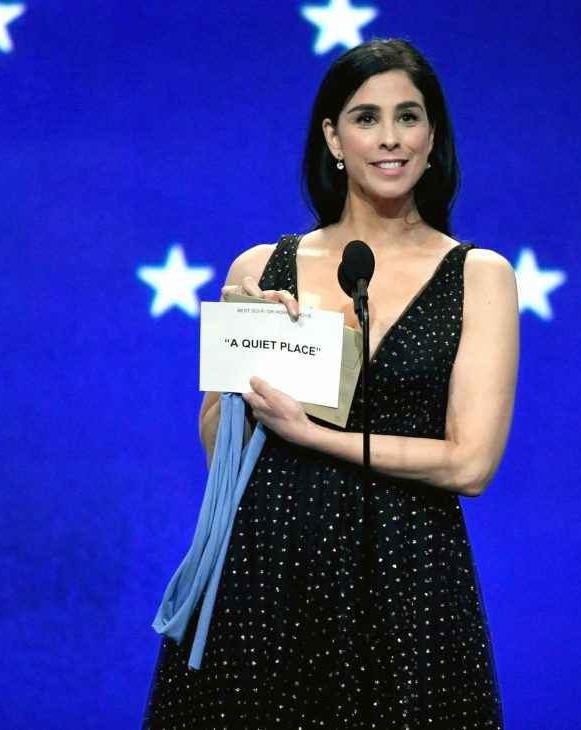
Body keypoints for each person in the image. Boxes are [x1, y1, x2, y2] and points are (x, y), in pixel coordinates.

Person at [142, 37, 518, 729]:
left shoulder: (478, 276)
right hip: (265, 575)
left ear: (433, 137)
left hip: (407, 578)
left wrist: (312, 435)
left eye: (408, 116)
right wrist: (242, 346)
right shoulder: (261, 267)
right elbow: (219, 454)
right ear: (333, 138)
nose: (390, 138)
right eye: (366, 118)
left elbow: (470, 463)